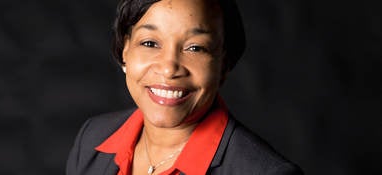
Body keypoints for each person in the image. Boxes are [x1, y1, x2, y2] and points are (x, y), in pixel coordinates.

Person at [66, 0, 303, 174]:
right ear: (124, 50)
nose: (169, 69)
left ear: (224, 65)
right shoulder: (91, 138)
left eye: (195, 48)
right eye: (150, 43)